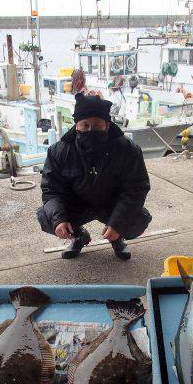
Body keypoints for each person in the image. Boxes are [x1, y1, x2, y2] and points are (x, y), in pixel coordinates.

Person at [37, 92, 151, 260]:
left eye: (96, 125)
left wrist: (117, 223)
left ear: (107, 125)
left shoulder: (128, 149)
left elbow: (136, 189)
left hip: (111, 204)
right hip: (78, 204)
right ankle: (78, 236)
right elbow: (51, 190)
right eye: (85, 125)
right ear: (77, 126)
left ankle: (117, 237)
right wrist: (60, 219)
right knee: (46, 216)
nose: (91, 130)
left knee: (139, 219)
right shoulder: (58, 151)